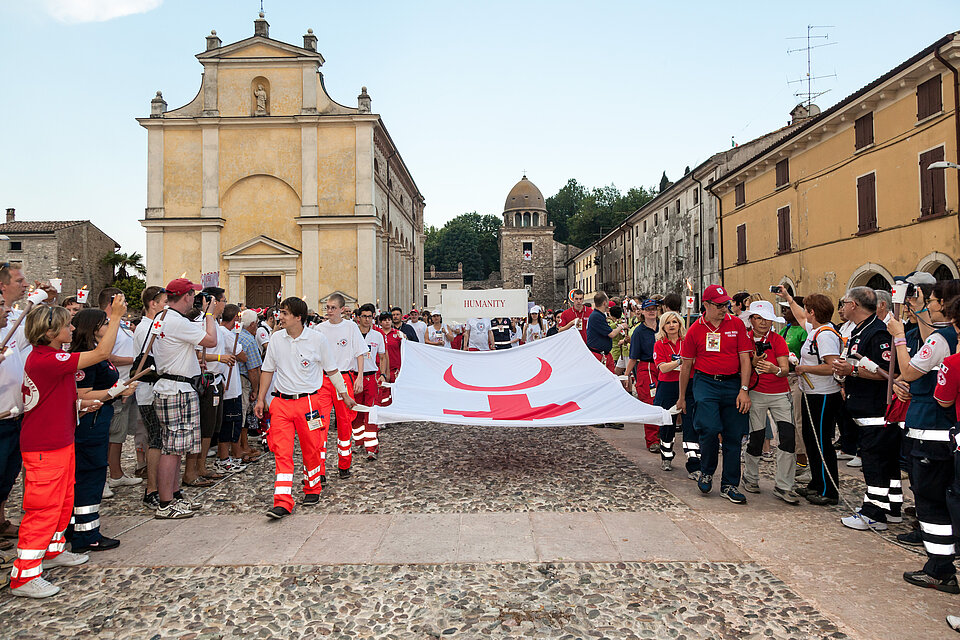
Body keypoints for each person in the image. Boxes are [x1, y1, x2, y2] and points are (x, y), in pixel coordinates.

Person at [10, 295, 126, 599]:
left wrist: (86, 403)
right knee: (42, 509)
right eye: (66, 325)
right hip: (44, 446)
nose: (72, 329)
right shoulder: (47, 359)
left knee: (63, 503)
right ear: (50, 333)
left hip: (60, 440)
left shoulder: (50, 359)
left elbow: (63, 396)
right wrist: (114, 317)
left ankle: (53, 549)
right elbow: (102, 352)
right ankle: (24, 576)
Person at [254, 297, 356, 519]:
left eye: (285, 313)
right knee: (282, 452)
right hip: (281, 403)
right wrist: (261, 399)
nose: (279, 317)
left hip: (309, 403)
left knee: (311, 449)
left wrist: (345, 395)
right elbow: (267, 370)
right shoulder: (276, 339)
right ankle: (282, 501)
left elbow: (332, 370)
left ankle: (312, 486)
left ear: (298, 317)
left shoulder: (317, 339)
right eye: (280, 313)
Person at [891, 283, 960, 592]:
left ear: (944, 304)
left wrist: (898, 335)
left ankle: (940, 569)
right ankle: (940, 563)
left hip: (932, 431)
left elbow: (908, 369)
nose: (928, 306)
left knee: (931, 504)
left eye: (931, 301)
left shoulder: (942, 338)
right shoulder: (946, 336)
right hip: (937, 429)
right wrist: (917, 309)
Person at [151, 278, 219, 519]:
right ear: (187, 296)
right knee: (172, 450)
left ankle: (175, 495)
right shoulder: (176, 321)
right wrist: (209, 315)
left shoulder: (162, 318)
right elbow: (211, 341)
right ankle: (166, 502)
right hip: (177, 390)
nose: (195, 300)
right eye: (193, 295)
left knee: (176, 448)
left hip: (172, 386)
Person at [69, 308, 137, 552]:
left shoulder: (96, 354)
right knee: (89, 476)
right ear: (94, 327)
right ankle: (86, 534)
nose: (110, 327)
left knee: (93, 475)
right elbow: (81, 395)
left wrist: (119, 389)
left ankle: (80, 529)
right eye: (106, 323)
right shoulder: (86, 355)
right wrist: (114, 392)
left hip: (99, 419)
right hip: (90, 423)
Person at [678, 284, 753, 504]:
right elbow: (686, 366)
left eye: (726, 304)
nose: (724, 309)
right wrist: (682, 397)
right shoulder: (695, 330)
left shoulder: (737, 324)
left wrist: (744, 389)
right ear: (707, 305)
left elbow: (745, 359)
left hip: (732, 383)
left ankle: (730, 484)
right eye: (720, 305)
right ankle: (706, 470)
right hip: (705, 382)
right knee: (709, 429)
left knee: (733, 436)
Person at [833, 286, 898, 531]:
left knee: (875, 461)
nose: (841, 307)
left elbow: (888, 373)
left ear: (855, 305)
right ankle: (892, 508)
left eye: (844, 302)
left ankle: (874, 513)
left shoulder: (877, 332)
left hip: (876, 409)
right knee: (884, 461)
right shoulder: (860, 331)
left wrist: (852, 371)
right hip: (863, 407)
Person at [739, 301, 799, 504]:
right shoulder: (744, 339)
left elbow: (784, 369)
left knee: (788, 438)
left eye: (767, 319)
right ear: (751, 320)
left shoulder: (777, 340)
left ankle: (784, 485)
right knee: (756, 437)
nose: (764, 322)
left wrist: (775, 369)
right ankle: (750, 476)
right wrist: (752, 363)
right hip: (755, 394)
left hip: (780, 394)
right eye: (759, 318)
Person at [315, 293, 366, 477]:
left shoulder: (351, 327)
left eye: (332, 308)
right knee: (321, 423)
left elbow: (360, 353)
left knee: (345, 421)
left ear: (342, 310)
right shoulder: (319, 329)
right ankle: (318, 469)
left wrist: (359, 376)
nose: (329, 311)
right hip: (324, 380)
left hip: (344, 378)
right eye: (327, 307)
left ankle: (344, 464)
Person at [97, 287, 142, 495]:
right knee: (107, 433)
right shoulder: (102, 326)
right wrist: (136, 361)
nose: (125, 306)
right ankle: (102, 478)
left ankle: (116, 473)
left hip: (125, 384)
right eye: (122, 301)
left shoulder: (120, 325)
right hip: (112, 386)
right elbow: (107, 355)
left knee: (119, 434)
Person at [652, 311, 700, 477]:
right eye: (668, 323)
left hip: (689, 384)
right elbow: (663, 367)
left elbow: (695, 361)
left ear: (680, 324)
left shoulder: (687, 342)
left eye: (675, 322)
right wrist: (680, 361)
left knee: (691, 424)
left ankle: (694, 464)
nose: (672, 325)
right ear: (663, 326)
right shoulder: (660, 344)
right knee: (667, 424)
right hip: (668, 386)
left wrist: (682, 362)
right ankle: (666, 456)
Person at [132, 285, 167, 509]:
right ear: (152, 304)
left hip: (155, 390)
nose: (166, 307)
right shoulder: (147, 328)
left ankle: (162, 486)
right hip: (149, 391)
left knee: (160, 440)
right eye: (164, 303)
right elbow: (151, 360)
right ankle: (151, 489)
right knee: (156, 440)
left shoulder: (154, 326)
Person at [0, 298, 25, 544]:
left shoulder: (10, 328)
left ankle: (1, 520)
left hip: (14, 415)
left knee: (8, 475)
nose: (7, 309)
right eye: (0, 305)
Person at [213, 305, 248, 474]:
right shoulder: (226, 334)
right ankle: (224, 458)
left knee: (228, 423)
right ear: (235, 319)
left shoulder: (221, 332)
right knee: (229, 423)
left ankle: (226, 457)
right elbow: (243, 357)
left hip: (228, 383)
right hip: (229, 387)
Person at [625, 299, 661, 449]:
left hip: (665, 366)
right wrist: (626, 375)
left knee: (664, 402)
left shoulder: (663, 326)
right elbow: (633, 356)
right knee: (650, 402)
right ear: (643, 312)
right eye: (649, 309)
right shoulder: (639, 332)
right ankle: (652, 439)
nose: (652, 311)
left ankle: (664, 435)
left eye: (654, 309)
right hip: (647, 367)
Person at [355, 303, 388, 459]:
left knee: (371, 411)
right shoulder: (352, 333)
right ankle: (358, 441)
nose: (367, 320)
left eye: (370, 316)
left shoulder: (378, 335)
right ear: (358, 317)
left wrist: (383, 374)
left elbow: (382, 356)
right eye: (364, 316)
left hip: (371, 377)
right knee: (355, 412)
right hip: (354, 376)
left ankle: (371, 447)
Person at [235, 309, 264, 463]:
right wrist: (256, 389)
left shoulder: (235, 334)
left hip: (232, 379)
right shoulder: (249, 340)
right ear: (252, 324)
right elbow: (253, 369)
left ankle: (241, 446)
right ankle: (238, 448)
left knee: (238, 414)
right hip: (243, 380)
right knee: (242, 414)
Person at [587, 292, 627, 373]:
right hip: (599, 354)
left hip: (604, 354)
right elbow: (611, 334)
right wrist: (622, 326)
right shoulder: (596, 316)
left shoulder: (599, 315)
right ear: (604, 303)